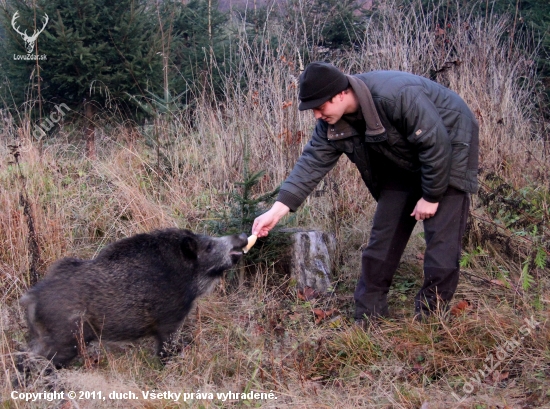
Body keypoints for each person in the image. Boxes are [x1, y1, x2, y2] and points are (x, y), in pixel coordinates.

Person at [252, 62, 479, 322]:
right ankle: (369, 316)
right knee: (383, 236)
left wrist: (430, 196)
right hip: (402, 158)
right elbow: (311, 163)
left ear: (340, 93)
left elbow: (435, 144)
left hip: (451, 144)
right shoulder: (332, 123)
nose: (316, 115)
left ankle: (432, 317)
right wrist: (276, 211)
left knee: (441, 243)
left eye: (319, 107)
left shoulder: (397, 95)